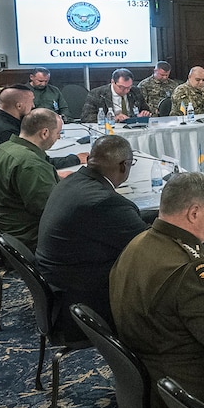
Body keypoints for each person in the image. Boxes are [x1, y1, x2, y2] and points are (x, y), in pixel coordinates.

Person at [109, 172, 204, 408]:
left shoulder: (141, 242)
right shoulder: (189, 273)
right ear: (194, 213)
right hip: (191, 390)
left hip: (155, 372)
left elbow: (171, 288)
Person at [36, 135, 147, 334]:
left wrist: (166, 214)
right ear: (124, 166)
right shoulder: (105, 203)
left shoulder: (73, 181)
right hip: (83, 303)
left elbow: (127, 219)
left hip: (58, 287)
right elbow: (151, 246)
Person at [0, 84, 82, 191]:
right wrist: (73, 160)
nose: (33, 106)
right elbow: (31, 162)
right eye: (31, 101)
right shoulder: (5, 131)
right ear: (19, 106)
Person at [0, 108, 63, 251]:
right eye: (58, 133)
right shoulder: (31, 164)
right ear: (45, 133)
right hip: (29, 236)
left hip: (6, 228)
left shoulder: (1, 149)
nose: (59, 138)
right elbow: (51, 211)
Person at [82, 68, 151, 123]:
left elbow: (145, 109)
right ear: (112, 82)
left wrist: (144, 113)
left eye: (129, 87)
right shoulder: (97, 94)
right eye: (122, 87)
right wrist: (112, 119)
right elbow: (86, 117)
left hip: (133, 127)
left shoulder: (135, 91)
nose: (126, 90)